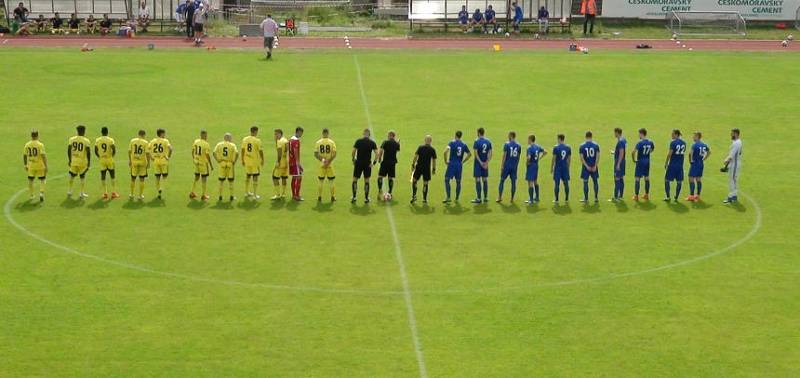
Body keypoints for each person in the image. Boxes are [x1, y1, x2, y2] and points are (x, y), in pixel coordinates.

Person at [442, 130, 471, 203]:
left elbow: (445, 152)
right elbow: (469, 154)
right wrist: (463, 161)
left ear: (455, 135)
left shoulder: (452, 142)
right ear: (461, 136)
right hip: (459, 165)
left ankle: (448, 197)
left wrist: (446, 161)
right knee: (458, 182)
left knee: (446, 179)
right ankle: (457, 198)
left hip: (451, 164)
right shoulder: (464, 144)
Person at [351, 128, 378, 203]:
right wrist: (374, 162)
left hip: (358, 163)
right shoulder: (372, 143)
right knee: (366, 181)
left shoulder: (358, 141)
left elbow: (353, 151)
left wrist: (353, 160)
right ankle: (366, 198)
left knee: (355, 180)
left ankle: (354, 197)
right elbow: (377, 153)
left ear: (363, 134)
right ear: (369, 134)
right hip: (367, 164)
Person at [66, 125, 91, 199]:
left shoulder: (72, 139)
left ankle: (70, 191)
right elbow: (88, 152)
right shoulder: (86, 140)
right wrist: (89, 162)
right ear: (84, 131)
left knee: (72, 176)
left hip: (74, 161)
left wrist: (70, 159)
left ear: (77, 131)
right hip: (82, 162)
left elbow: (68, 150)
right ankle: (81, 193)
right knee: (82, 177)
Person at [410, 135, 437, 204]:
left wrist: (413, 164)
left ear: (425, 140)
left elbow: (415, 156)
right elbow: (434, 160)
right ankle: (424, 199)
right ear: (431, 141)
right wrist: (433, 169)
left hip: (419, 167)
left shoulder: (420, 147)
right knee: (425, 183)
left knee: (414, 180)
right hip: (426, 168)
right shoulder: (432, 149)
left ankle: (414, 196)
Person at [23, 130, 47, 202]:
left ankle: (31, 195)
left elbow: (24, 155)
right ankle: (41, 193)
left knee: (30, 180)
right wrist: (46, 165)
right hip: (40, 165)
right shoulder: (40, 145)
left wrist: (25, 164)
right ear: (37, 135)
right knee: (42, 179)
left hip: (31, 165)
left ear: (31, 136)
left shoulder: (27, 144)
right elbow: (43, 155)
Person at [148, 128, 173, 200]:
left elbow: (147, 149)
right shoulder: (165, 141)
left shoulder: (153, 141)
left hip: (155, 161)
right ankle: (161, 188)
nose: (165, 135)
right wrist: (168, 156)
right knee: (165, 176)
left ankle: (158, 190)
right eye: (164, 133)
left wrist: (151, 157)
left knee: (157, 177)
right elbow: (171, 148)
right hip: (163, 160)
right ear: (161, 134)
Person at [94, 126, 118, 200]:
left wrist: (99, 156)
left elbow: (95, 150)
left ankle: (105, 193)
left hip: (102, 159)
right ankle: (113, 193)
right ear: (107, 132)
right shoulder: (110, 140)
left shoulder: (98, 140)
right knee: (112, 175)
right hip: (109, 159)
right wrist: (112, 156)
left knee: (103, 175)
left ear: (101, 132)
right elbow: (114, 148)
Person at [241, 126, 265, 200]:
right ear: (255, 132)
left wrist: (242, 159)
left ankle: (246, 192)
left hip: (247, 161)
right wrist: (262, 159)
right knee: (255, 177)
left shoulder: (245, 139)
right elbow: (260, 151)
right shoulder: (257, 140)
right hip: (254, 162)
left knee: (248, 176)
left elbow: (242, 150)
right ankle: (255, 195)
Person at [497, 131, 521, 203]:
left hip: (507, 166)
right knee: (513, 182)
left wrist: (502, 166)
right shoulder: (519, 145)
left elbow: (504, 156)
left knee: (502, 180)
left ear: (511, 136)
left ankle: (499, 197)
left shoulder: (506, 144)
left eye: (508, 135)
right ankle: (512, 198)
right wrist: (516, 165)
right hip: (514, 166)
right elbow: (518, 157)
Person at [314, 128, 337, 202]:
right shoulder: (332, 142)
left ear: (322, 133)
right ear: (328, 133)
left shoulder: (318, 142)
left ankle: (319, 197)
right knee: (331, 181)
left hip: (322, 165)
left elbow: (315, 154)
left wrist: (323, 160)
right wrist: (329, 161)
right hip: (329, 165)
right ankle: (332, 197)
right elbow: (334, 154)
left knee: (321, 181)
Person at [663, 129, 687, 202]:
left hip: (672, 165)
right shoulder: (684, 143)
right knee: (679, 182)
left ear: (676, 134)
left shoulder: (673, 143)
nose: (671, 135)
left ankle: (668, 197)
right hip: (680, 165)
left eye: (673, 134)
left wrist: (666, 163)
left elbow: (670, 154)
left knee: (667, 180)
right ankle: (676, 197)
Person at [214, 133, 238, 202]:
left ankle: (220, 196)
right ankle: (231, 196)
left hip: (222, 164)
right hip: (230, 164)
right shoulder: (232, 145)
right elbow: (236, 153)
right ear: (229, 138)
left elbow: (214, 153)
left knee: (221, 181)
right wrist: (234, 162)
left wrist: (218, 160)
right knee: (231, 181)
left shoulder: (219, 144)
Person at [631, 128, 654, 200]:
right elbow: (652, 149)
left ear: (641, 134)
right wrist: (647, 153)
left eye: (639, 134)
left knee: (637, 178)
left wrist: (634, 160)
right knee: (646, 177)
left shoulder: (640, 143)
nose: (638, 135)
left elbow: (633, 152)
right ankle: (646, 195)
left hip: (640, 162)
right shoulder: (650, 142)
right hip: (647, 161)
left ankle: (636, 196)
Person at [686, 131, 710, 202]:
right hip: (701, 163)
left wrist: (690, 161)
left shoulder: (694, 145)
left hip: (695, 163)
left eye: (694, 136)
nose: (693, 137)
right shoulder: (704, 145)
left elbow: (690, 154)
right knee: (698, 179)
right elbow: (709, 152)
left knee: (691, 178)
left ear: (697, 136)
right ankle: (698, 195)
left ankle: (691, 196)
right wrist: (704, 159)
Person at [190, 130, 213, 201]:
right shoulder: (206, 144)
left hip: (197, 162)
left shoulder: (196, 141)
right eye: (206, 135)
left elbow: (192, 151)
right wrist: (211, 165)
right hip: (203, 164)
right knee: (204, 179)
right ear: (204, 135)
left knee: (196, 177)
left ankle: (192, 192)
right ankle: (203, 195)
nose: (206, 136)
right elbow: (207, 155)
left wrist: (194, 159)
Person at [376, 130, 400, 198]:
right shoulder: (396, 143)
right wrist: (398, 143)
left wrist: (380, 158)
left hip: (385, 162)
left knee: (380, 176)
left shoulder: (385, 142)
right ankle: (390, 192)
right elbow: (397, 150)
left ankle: (380, 189)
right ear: (394, 136)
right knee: (390, 178)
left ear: (390, 135)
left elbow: (381, 150)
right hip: (393, 163)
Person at [471, 127, 492, 204]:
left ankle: (479, 198)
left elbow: (476, 154)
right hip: (485, 164)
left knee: (478, 180)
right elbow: (490, 153)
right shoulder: (488, 141)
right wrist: (486, 162)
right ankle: (486, 197)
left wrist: (480, 163)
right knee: (485, 179)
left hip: (478, 164)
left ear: (479, 133)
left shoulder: (476, 141)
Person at [579, 131, 600, 203]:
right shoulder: (596, 145)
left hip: (586, 168)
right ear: (591, 136)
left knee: (585, 182)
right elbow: (597, 157)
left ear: (586, 136)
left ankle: (586, 198)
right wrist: (595, 166)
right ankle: (596, 198)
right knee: (595, 182)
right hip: (594, 166)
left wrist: (587, 166)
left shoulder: (582, 146)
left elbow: (582, 158)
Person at [524, 134, 546, 204]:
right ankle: (537, 197)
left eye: (528, 139)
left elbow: (529, 157)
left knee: (530, 182)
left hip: (531, 166)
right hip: (536, 165)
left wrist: (527, 163)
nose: (527, 141)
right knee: (535, 181)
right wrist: (540, 158)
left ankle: (531, 199)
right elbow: (545, 152)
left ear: (530, 139)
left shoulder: (529, 148)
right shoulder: (538, 146)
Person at [722, 128, 743, 204]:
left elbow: (731, 156)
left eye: (732, 133)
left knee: (732, 180)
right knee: (734, 180)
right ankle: (734, 195)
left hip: (734, 164)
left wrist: (726, 162)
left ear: (736, 134)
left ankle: (731, 197)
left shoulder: (736, 143)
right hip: (735, 164)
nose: (731, 134)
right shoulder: (738, 142)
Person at [128, 130, 149, 200]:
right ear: (143, 135)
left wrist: (130, 160)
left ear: (138, 134)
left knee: (133, 178)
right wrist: (148, 162)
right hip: (142, 162)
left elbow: (129, 151)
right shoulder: (145, 142)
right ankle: (140, 195)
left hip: (134, 162)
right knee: (142, 179)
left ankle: (131, 194)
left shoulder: (132, 141)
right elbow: (147, 153)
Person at [551, 134, 571, 203]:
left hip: (558, 168)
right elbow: (569, 159)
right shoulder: (568, 147)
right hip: (565, 167)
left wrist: (552, 167)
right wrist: (568, 168)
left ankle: (556, 199)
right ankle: (566, 199)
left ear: (559, 139)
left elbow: (553, 158)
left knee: (557, 184)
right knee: (566, 183)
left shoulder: (556, 147)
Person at [271, 129, 289, 200]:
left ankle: (278, 194)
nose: (275, 136)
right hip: (286, 161)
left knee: (274, 177)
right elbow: (287, 150)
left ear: (280, 134)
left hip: (281, 162)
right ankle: (283, 194)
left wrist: (278, 162)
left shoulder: (280, 142)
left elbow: (279, 153)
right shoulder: (285, 140)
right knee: (284, 177)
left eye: (276, 134)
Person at [288, 127, 304, 201]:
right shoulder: (296, 141)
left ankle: (293, 195)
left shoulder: (290, 140)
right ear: (298, 132)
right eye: (301, 133)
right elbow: (295, 151)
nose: (301, 134)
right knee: (299, 178)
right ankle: (297, 195)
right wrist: (298, 163)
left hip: (291, 161)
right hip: (295, 162)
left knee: (294, 178)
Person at [610, 127, 626, 201]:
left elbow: (622, 152)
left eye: (614, 133)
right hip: (622, 161)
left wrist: (618, 164)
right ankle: (621, 196)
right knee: (621, 178)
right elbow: (621, 151)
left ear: (617, 132)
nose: (614, 134)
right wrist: (615, 152)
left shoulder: (620, 142)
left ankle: (616, 197)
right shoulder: (623, 140)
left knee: (617, 179)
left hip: (619, 162)